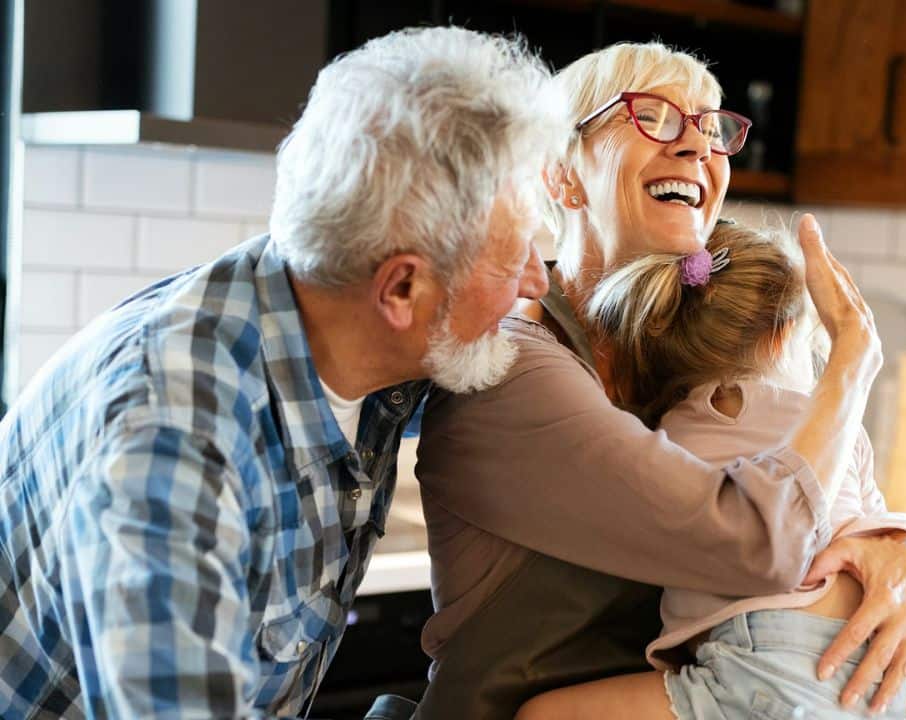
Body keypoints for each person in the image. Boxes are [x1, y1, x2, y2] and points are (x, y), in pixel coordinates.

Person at [0, 27, 562, 718]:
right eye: (513, 260)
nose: (537, 278)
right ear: (401, 291)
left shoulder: (344, 321)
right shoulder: (171, 437)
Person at [412, 42, 906, 719]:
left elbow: (839, 491)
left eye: (711, 126)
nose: (697, 146)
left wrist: (902, 548)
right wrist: (852, 363)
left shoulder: (710, 353)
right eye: (653, 117)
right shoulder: (510, 365)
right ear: (561, 177)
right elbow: (761, 541)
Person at [514, 222, 906, 719]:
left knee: (542, 715)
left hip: (764, 664)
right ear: (783, 337)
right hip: (882, 677)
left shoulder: (665, 432)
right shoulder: (842, 427)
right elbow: (883, 532)